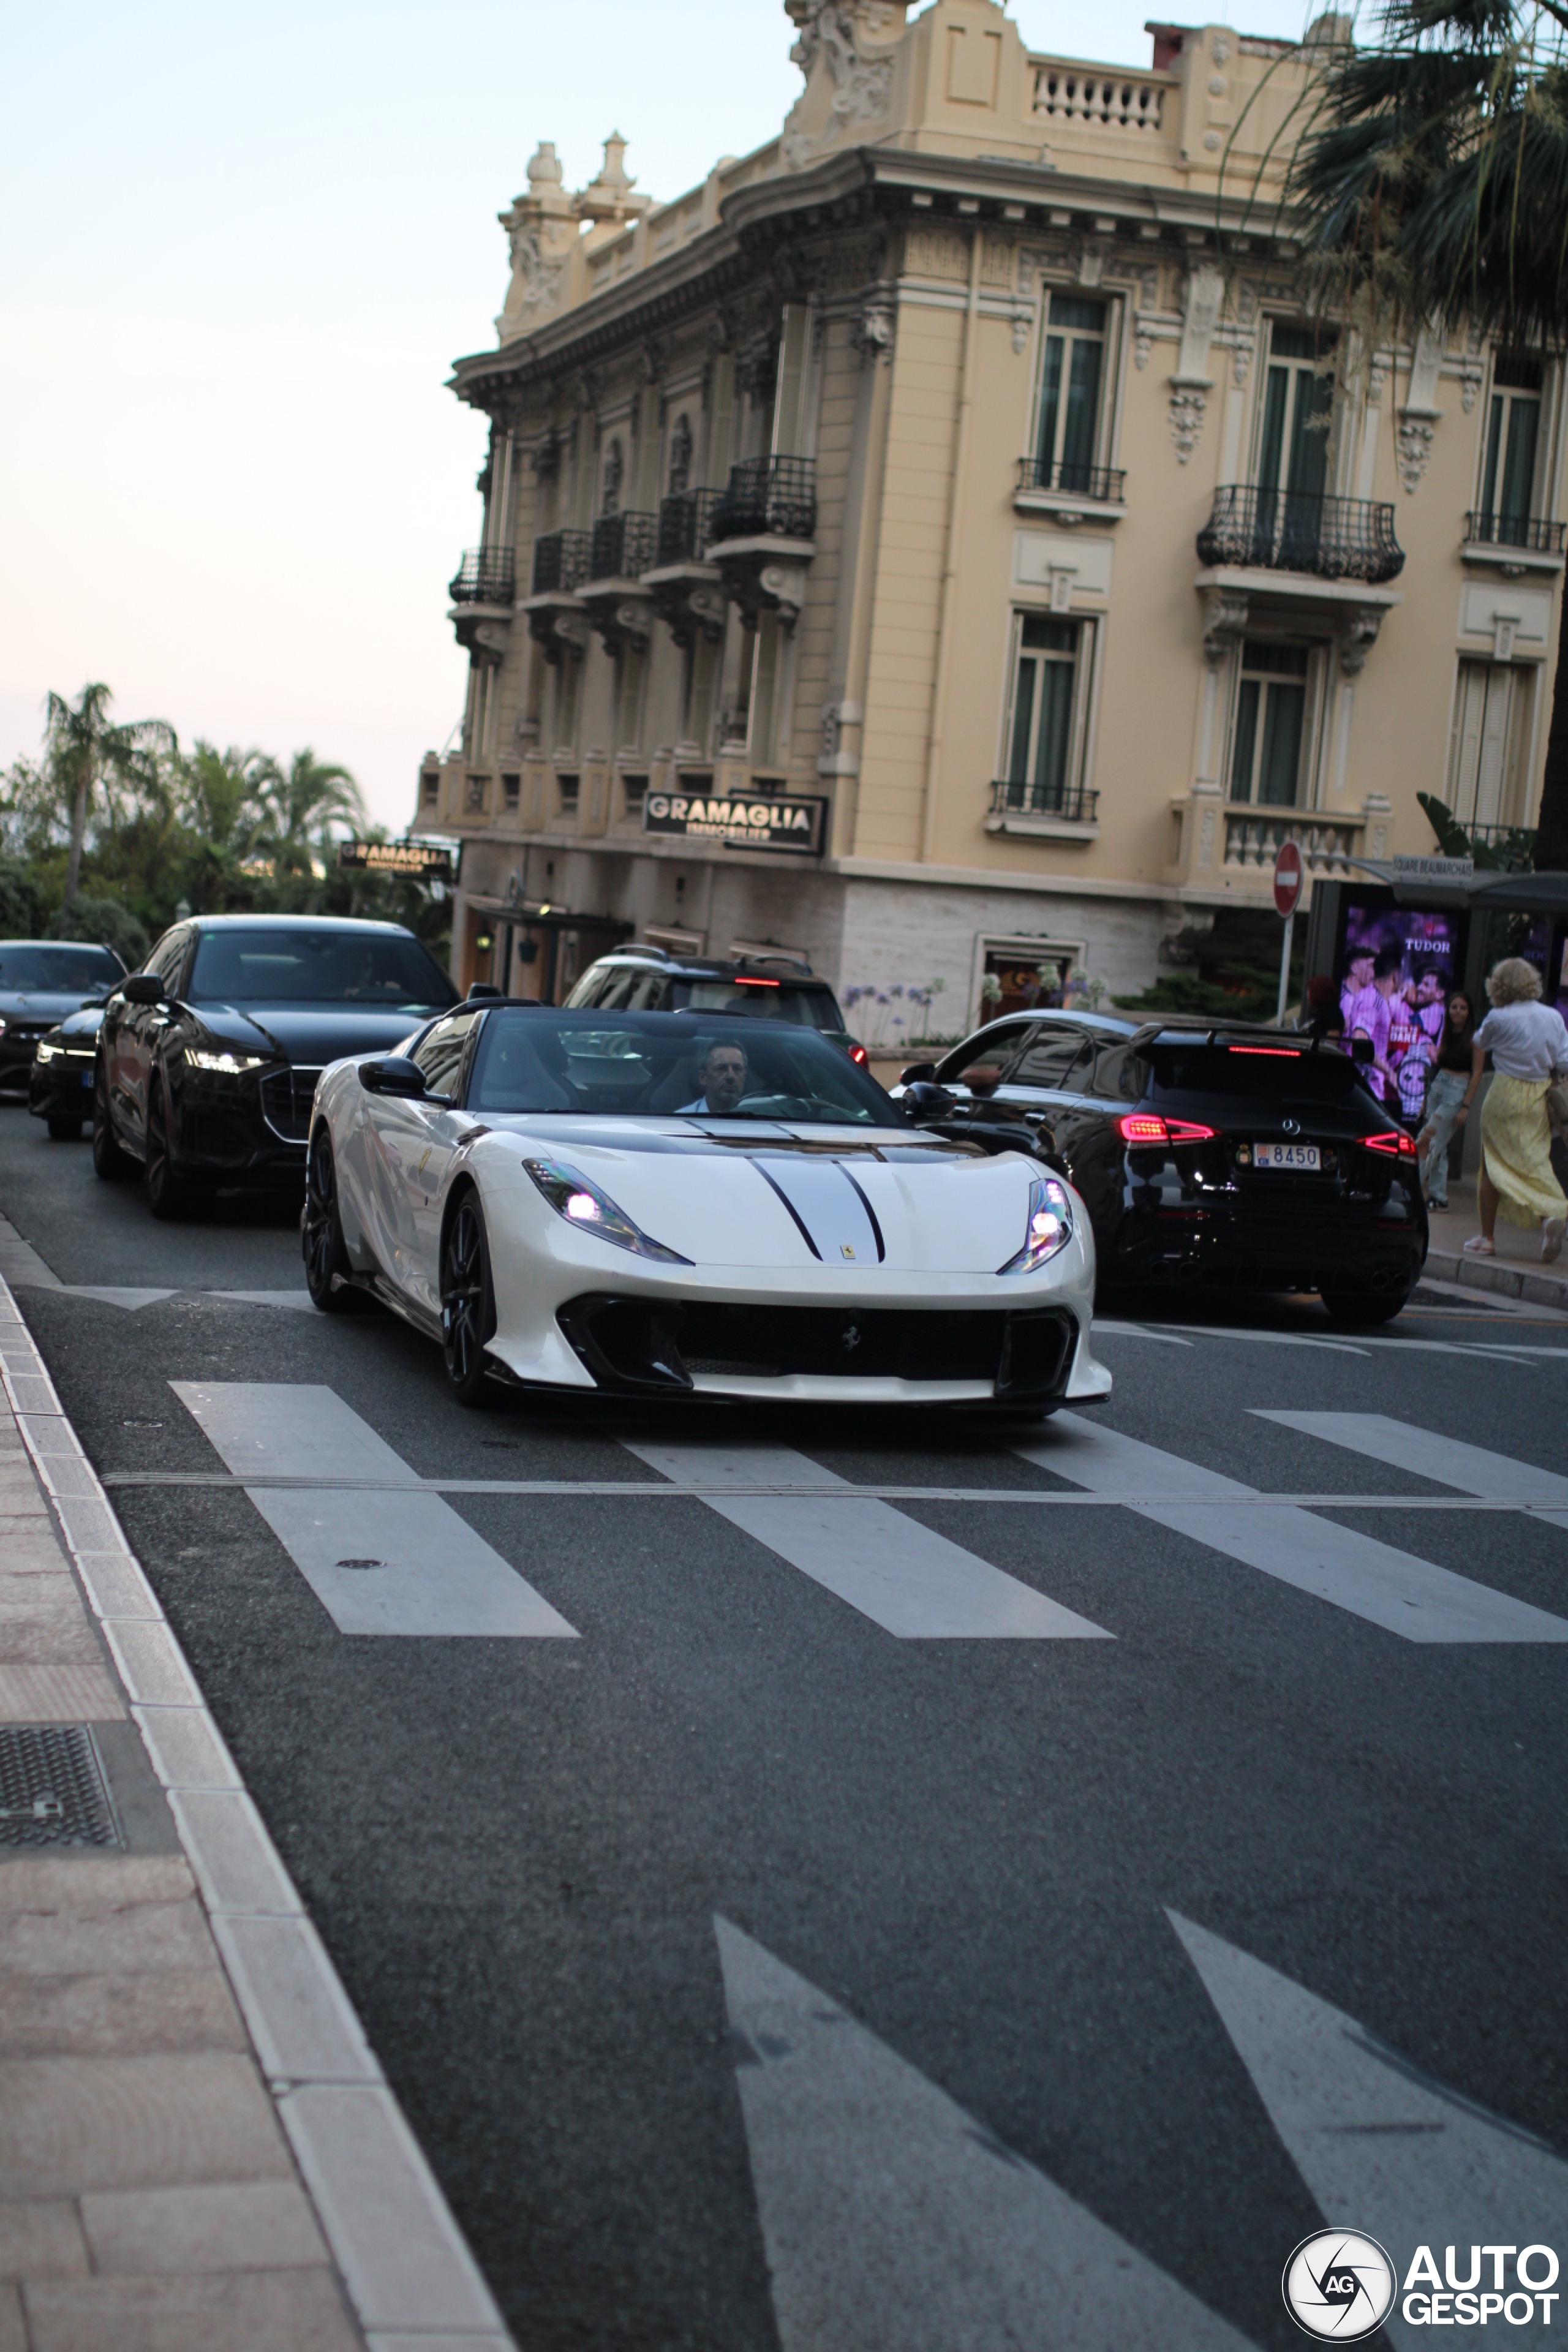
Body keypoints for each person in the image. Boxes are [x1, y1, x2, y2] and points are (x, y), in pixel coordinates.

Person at [1458, 958, 1568, 1262]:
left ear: (1499, 986)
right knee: (1535, 1159)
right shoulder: (1553, 1017)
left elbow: (1480, 1042)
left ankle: (1487, 1238)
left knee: (1491, 1164)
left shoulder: (1498, 1016)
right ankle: (1550, 1217)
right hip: (1538, 1094)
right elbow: (1564, 1062)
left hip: (1504, 1093)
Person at [1413, 989, 1474, 1208]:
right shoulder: (1446, 1034)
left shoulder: (1475, 1039)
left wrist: (1465, 1106)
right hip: (1438, 1086)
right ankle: (1439, 1197)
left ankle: (1410, 1190)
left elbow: (1476, 1075)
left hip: (1456, 1091)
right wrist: (1423, 1101)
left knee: (1427, 1141)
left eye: (1463, 1008)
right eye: (1454, 1007)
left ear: (1469, 1012)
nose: (1458, 1012)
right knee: (1440, 1146)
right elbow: (1438, 1064)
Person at [677, 1039, 750, 1116]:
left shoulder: (758, 1121)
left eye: (737, 1069)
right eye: (721, 1068)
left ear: (745, 1076)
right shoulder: (681, 1121)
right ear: (703, 1077)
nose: (730, 1076)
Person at [1299, 974, 1344, 1042]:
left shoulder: (1333, 1014)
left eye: (1310, 991)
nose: (1308, 995)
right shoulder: (1315, 1014)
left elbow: (1331, 1043)